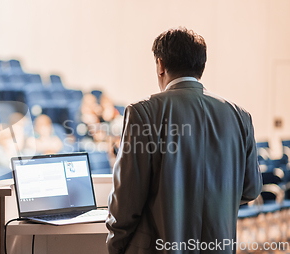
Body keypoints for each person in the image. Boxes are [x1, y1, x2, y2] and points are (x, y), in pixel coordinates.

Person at [106, 27, 262, 254]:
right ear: (201, 66)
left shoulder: (143, 113)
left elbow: (127, 201)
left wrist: (115, 245)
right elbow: (251, 189)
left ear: (160, 65)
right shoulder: (240, 116)